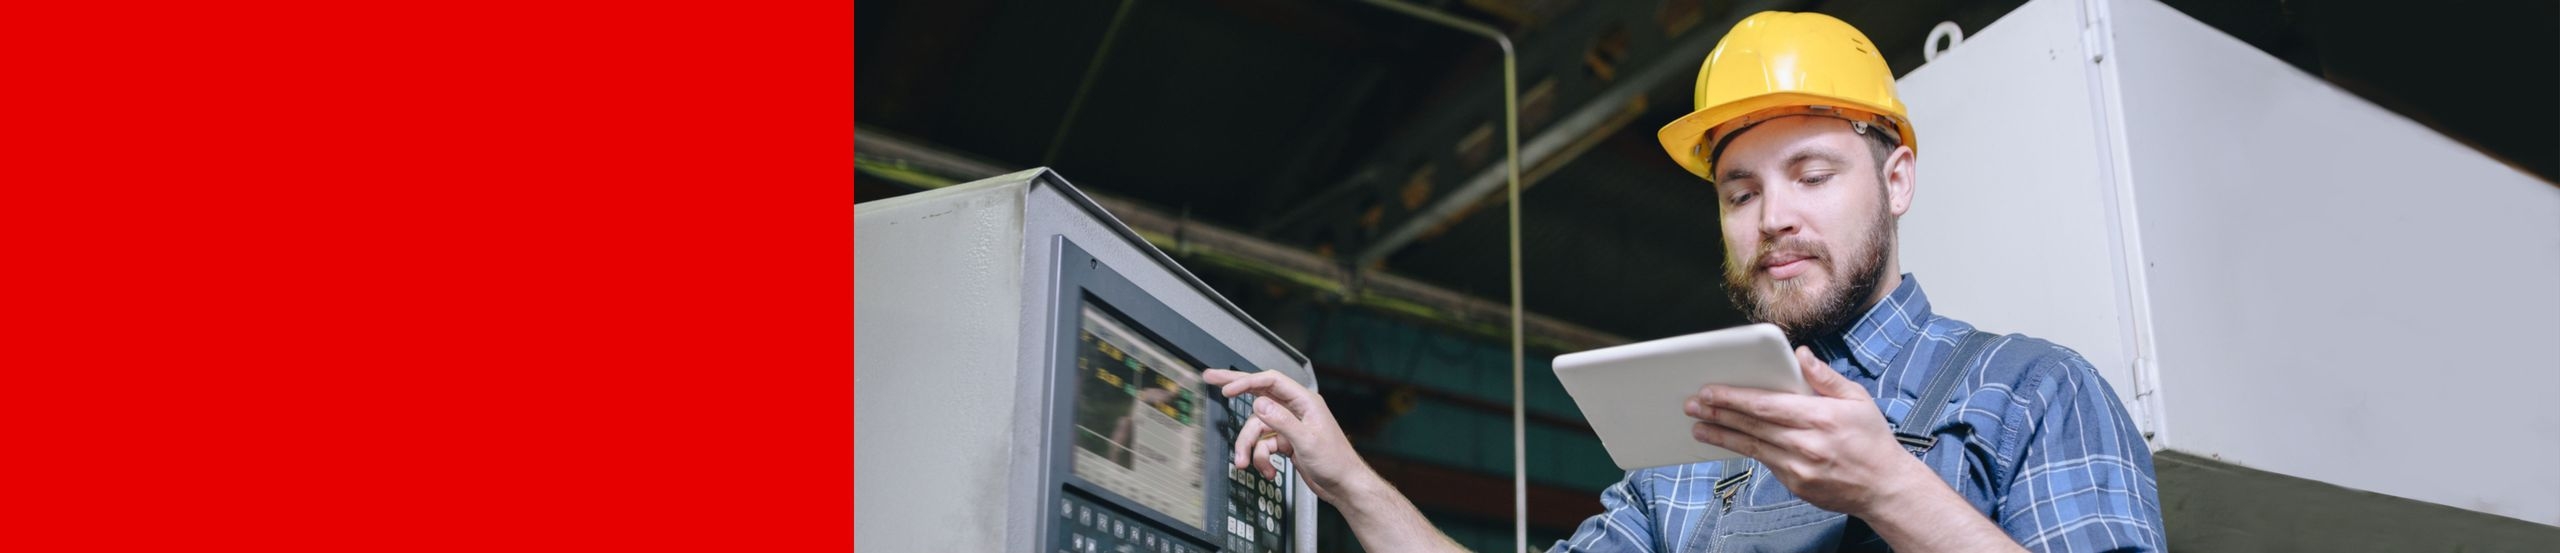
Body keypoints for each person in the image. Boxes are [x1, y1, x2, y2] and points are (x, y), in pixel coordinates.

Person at [1201, 11, 2164, 553]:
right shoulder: (1687, 464)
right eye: (1739, 190)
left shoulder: (2032, 392)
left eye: (1814, 175)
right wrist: (1347, 478)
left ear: (1896, 178)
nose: (1772, 216)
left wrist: (1887, 487)